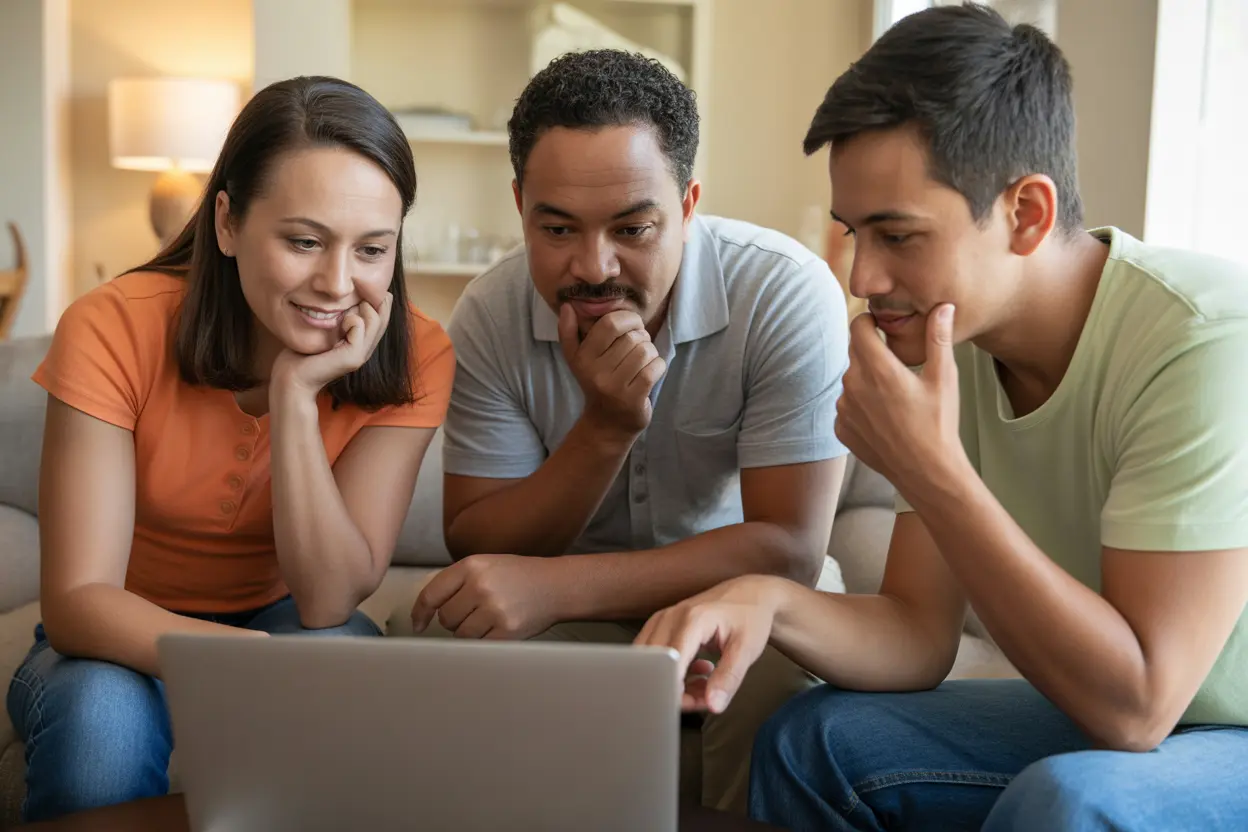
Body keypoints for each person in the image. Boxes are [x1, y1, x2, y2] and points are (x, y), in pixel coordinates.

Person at [635, 4, 1248, 829]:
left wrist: (932, 466)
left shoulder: (1202, 341)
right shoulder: (949, 341)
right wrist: (764, 601)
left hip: (1214, 726)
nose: (863, 278)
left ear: (1025, 214)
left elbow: (1138, 706)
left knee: (1071, 802)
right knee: (810, 740)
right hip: (1137, 717)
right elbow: (917, 633)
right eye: (854, 233)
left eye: (898, 236)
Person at [401, 49, 849, 812]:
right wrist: (605, 429)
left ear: (688, 203)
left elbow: (790, 548)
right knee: (440, 646)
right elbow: (478, 535)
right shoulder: (489, 312)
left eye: (633, 228)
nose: (594, 265)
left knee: (777, 680)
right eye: (558, 229)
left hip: (746, 598)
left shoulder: (783, 291)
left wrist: (555, 586)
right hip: (571, 615)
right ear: (520, 206)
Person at [5, 76, 455, 822]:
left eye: (372, 249)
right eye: (304, 241)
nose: (338, 284)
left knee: (349, 680)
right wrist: (251, 667)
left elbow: (327, 600)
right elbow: (82, 601)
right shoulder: (112, 326)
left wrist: (292, 399)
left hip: (290, 617)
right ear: (226, 222)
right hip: (116, 633)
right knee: (100, 730)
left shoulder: (417, 353)